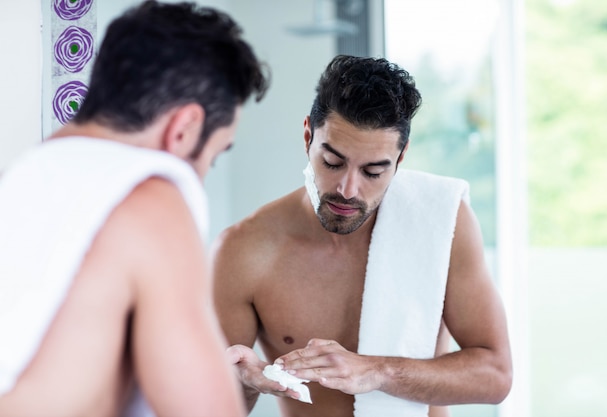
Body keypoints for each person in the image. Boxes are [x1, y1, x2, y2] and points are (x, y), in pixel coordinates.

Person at [0, 1, 268, 416]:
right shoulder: (150, 200)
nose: (199, 178)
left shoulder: (26, 178)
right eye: (211, 158)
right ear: (184, 128)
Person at [210, 55, 512, 417]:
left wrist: (376, 371)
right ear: (308, 136)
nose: (348, 189)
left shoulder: (442, 220)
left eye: (372, 171)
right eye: (333, 163)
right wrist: (244, 383)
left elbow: (495, 375)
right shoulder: (244, 250)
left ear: (399, 160)